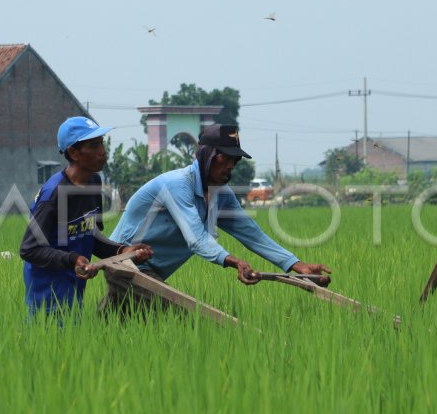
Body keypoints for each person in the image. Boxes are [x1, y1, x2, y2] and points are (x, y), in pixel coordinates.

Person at [100, 124, 330, 314]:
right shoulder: (177, 185)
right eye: (225, 158)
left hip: (152, 270)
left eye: (235, 161)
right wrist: (234, 261)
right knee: (185, 318)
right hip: (126, 263)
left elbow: (252, 234)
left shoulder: (221, 194)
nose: (230, 166)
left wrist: (297, 265)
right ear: (207, 155)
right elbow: (197, 240)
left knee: (112, 326)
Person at [20, 116, 152, 319]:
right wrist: (71, 260)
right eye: (93, 145)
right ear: (74, 152)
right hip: (48, 291)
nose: (102, 151)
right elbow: (29, 249)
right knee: (51, 346)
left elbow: (91, 235)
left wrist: (122, 250)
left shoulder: (93, 182)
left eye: (101, 143)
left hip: (75, 282)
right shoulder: (53, 193)